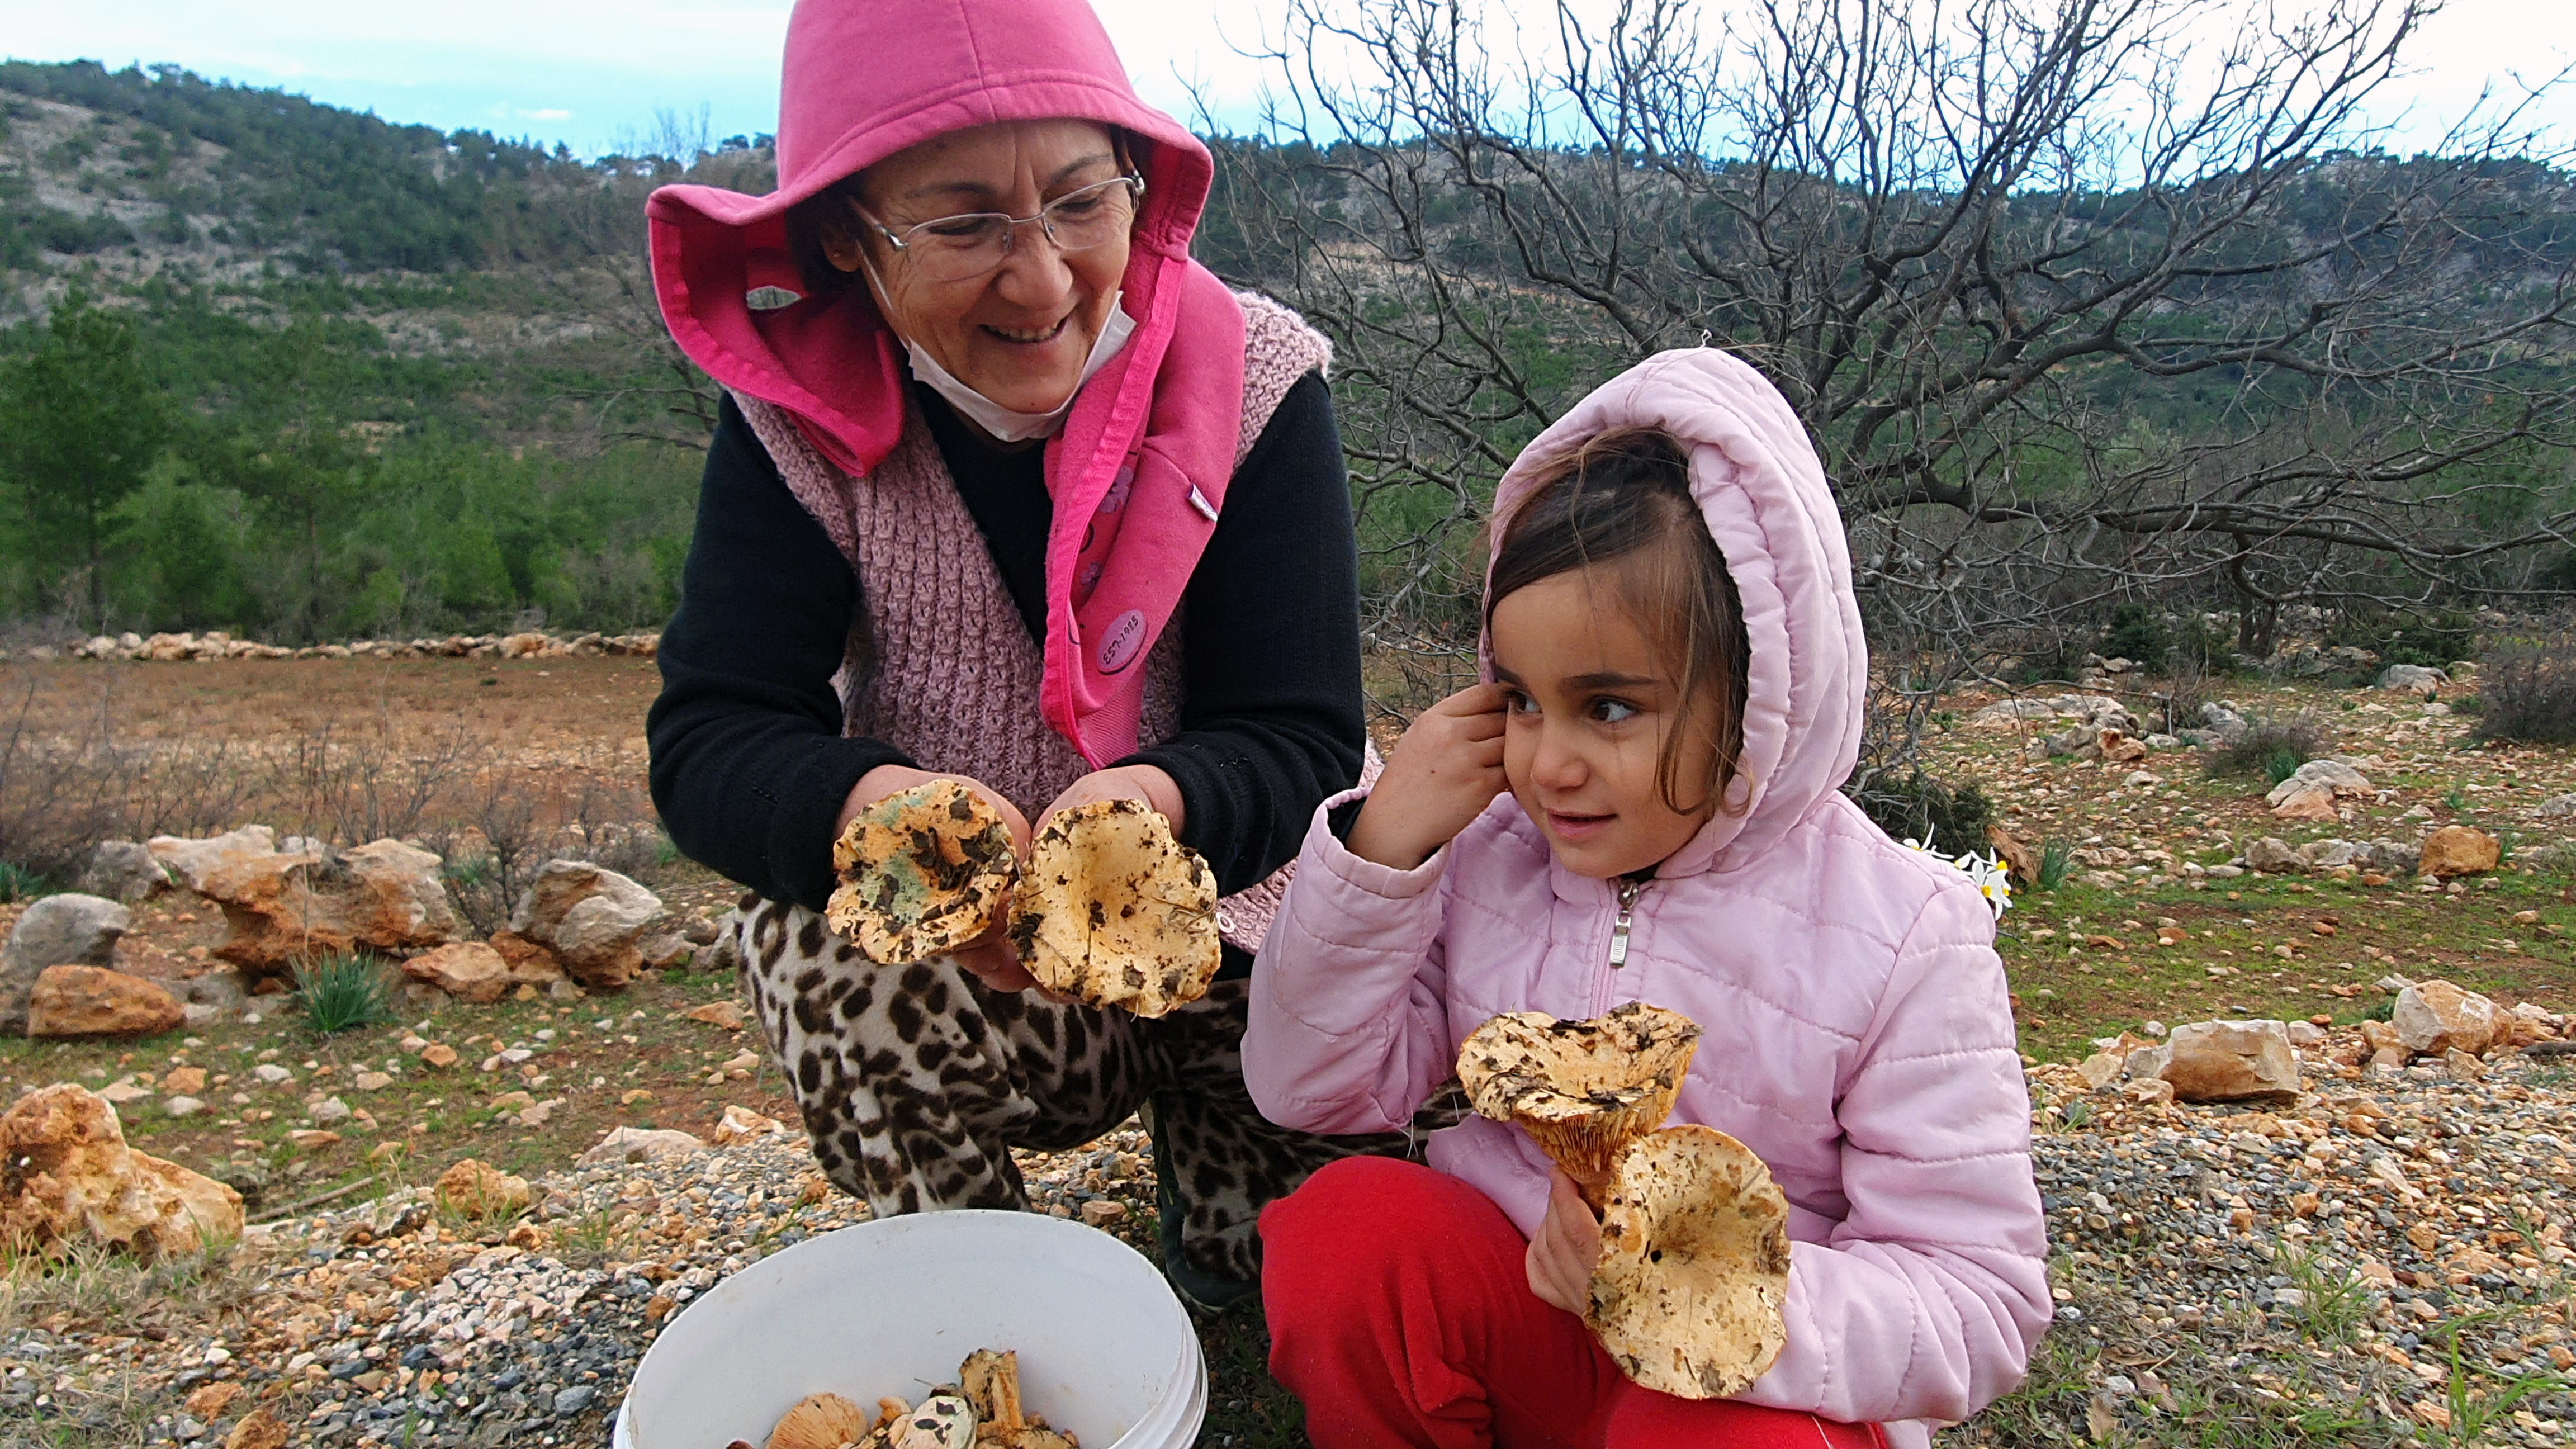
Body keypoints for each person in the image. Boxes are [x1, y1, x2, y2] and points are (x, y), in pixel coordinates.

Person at [643, 0, 1407, 1310]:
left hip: (1254, 944)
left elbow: (1301, 734)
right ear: (845, 235)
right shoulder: (794, 427)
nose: (1043, 280)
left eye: (1080, 201)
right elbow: (712, 737)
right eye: (964, 224)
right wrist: (878, 814)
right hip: (984, 964)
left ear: (1139, 188)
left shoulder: (1253, 379)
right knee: (819, 942)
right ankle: (990, 1299)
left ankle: (1221, 1181)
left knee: (1292, 1284)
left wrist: (1145, 823)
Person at [1242, 349, 2052, 1446]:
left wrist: (1703, 1297)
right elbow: (1306, 1085)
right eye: (1521, 699)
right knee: (1347, 1235)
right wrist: (1381, 851)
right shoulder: (1492, 854)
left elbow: (1979, 1303)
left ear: (1758, 697)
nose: (1549, 764)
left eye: (1610, 707)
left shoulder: (1905, 936)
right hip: (1529, 1319)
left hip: (1742, 1394)